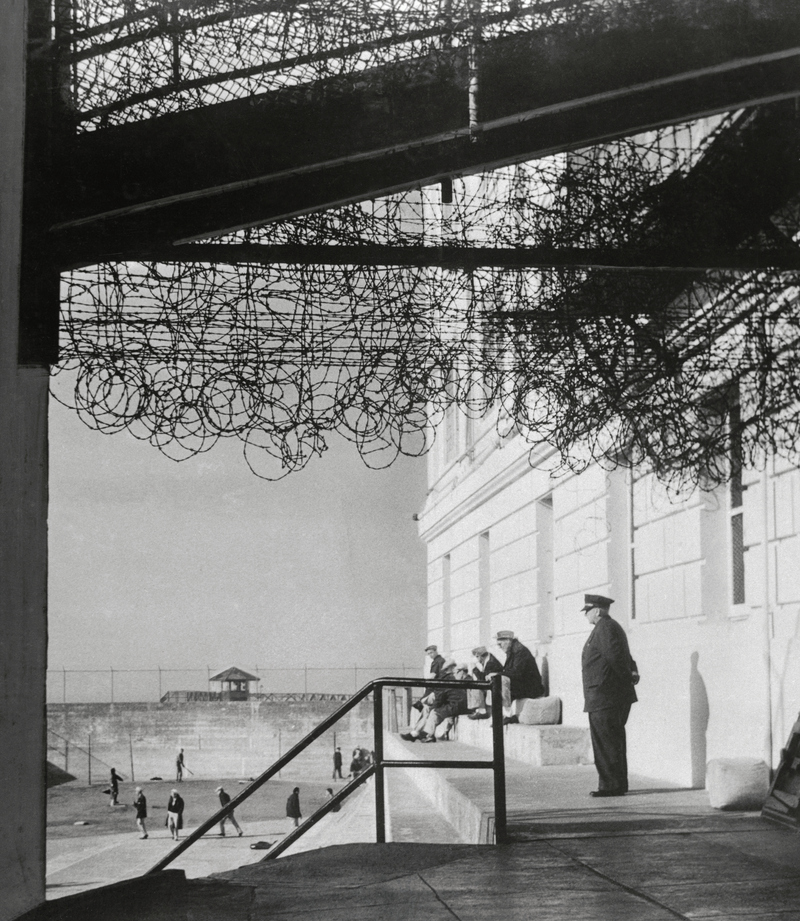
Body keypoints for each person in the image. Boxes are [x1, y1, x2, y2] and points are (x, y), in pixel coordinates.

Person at [581, 594, 639, 797]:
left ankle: (610, 786)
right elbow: (624, 657)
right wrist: (630, 675)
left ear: (597, 610)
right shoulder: (608, 627)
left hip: (605, 697)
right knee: (611, 741)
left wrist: (626, 679)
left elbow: (616, 658)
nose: (586, 615)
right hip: (607, 696)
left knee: (606, 743)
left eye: (587, 611)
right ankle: (616, 784)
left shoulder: (604, 628)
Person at [400, 659, 469, 742]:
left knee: (434, 712)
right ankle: (417, 733)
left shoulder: (448, 679)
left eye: (457, 670)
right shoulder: (449, 678)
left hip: (456, 705)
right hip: (452, 703)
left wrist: (433, 706)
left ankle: (424, 734)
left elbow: (441, 696)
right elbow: (443, 695)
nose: (456, 671)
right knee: (428, 709)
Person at [495, 630, 544, 724]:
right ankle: (502, 714)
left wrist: (498, 675)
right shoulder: (513, 651)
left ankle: (508, 715)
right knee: (498, 680)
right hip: (523, 685)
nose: (499, 646)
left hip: (531, 688)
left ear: (508, 641)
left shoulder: (520, 651)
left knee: (502, 680)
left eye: (500, 644)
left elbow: (516, 673)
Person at [467, 646, 503, 720]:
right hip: (495, 685)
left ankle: (482, 711)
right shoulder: (488, 660)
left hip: (497, 687)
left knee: (475, 687)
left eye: (477, 657)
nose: (477, 659)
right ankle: (478, 710)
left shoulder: (491, 663)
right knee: (474, 686)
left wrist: (474, 669)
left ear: (480, 656)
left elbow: (483, 680)